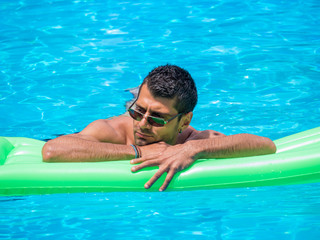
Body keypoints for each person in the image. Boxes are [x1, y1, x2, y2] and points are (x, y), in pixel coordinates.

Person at [42, 64, 276, 191]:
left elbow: (265, 145)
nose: (142, 125)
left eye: (157, 118)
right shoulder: (113, 130)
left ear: (184, 122)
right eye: (138, 111)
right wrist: (140, 151)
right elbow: (52, 150)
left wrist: (191, 150)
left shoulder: (192, 139)